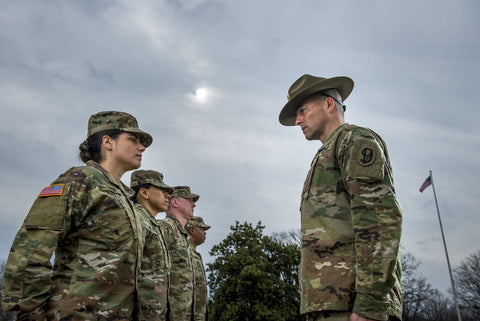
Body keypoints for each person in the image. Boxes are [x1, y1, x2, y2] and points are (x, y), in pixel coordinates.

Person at [1, 111, 152, 320]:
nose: (142, 147)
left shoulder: (123, 196)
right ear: (108, 142)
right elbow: (29, 252)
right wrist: (32, 315)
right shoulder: (80, 181)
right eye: (133, 139)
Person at [279, 75, 402, 321]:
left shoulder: (354, 141)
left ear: (329, 105)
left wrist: (370, 303)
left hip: (354, 305)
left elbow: (379, 223)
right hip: (330, 303)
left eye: (302, 110)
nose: (298, 120)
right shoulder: (327, 153)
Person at [130, 169, 174, 321]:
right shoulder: (137, 220)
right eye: (162, 190)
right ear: (144, 193)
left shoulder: (152, 224)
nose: (167, 195)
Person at [159, 186, 199, 321]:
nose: (193, 204)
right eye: (189, 200)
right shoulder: (165, 228)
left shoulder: (184, 236)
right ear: (175, 202)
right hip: (168, 313)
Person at [185, 216, 211, 321]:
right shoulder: (184, 251)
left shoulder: (195, 253)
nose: (205, 233)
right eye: (202, 229)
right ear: (192, 230)